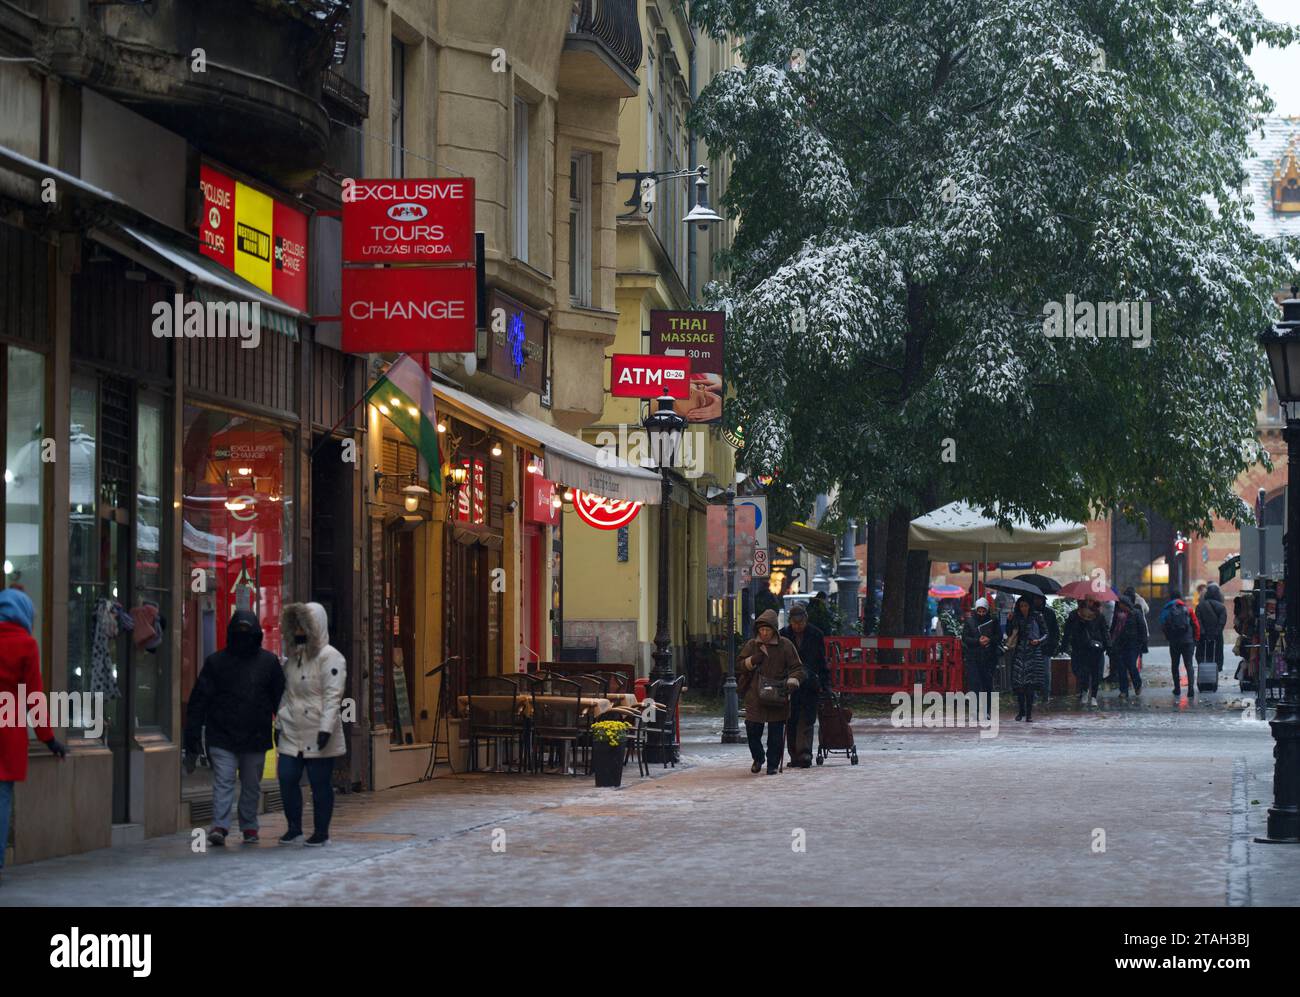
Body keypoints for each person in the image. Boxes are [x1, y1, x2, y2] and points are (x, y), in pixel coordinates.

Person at [184, 609, 285, 846]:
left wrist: (193, 735)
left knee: (240, 783)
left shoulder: (219, 662)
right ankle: (234, 826)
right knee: (238, 782)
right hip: (235, 735)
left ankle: (236, 825)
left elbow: (199, 701)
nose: (243, 639)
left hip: (236, 733)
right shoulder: (266, 662)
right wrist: (281, 731)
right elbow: (281, 701)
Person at [0, 589, 66, 885]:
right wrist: (49, 739)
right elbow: (34, 697)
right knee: (2, 796)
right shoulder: (26, 645)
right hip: (8, 730)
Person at [277, 602, 347, 845]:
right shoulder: (293, 659)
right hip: (292, 730)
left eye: (303, 626)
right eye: (295, 626)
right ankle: (293, 827)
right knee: (286, 777)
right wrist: (279, 725)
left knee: (320, 783)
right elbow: (287, 694)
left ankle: (321, 831)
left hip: (318, 731)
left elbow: (332, 696)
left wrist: (326, 728)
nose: (298, 631)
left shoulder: (331, 657)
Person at [738, 608, 804, 774]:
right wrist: (752, 660)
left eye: (767, 630)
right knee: (752, 728)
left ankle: (773, 764)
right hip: (755, 694)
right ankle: (758, 757)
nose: (764, 633)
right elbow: (740, 666)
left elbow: (797, 668)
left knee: (776, 732)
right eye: (761, 630)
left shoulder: (785, 645)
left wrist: (792, 680)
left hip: (777, 693)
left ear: (774, 629)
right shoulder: (752, 645)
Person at [780, 603, 828, 768]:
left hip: (810, 683)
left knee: (807, 719)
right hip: (790, 683)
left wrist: (825, 683)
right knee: (791, 720)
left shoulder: (816, 634)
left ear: (806, 620)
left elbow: (821, 661)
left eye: (801, 622)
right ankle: (794, 755)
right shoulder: (784, 635)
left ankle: (805, 753)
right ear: (790, 621)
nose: (798, 626)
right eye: (795, 623)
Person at [1007, 595, 1049, 721]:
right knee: (1019, 685)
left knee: (1030, 685)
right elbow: (1010, 633)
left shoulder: (1037, 616)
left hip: (1033, 653)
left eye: (1025, 606)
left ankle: (1029, 714)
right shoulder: (1016, 617)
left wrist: (1039, 641)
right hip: (1019, 653)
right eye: (1021, 606)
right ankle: (1021, 711)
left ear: (1030, 606)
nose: (1023, 608)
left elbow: (1046, 633)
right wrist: (1009, 621)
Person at [1063, 598, 1110, 707]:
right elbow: (1068, 631)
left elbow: (1104, 631)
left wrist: (1108, 646)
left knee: (1096, 673)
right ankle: (1084, 691)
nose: (1089, 602)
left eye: (1091, 600)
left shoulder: (1099, 616)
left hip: (1096, 649)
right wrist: (1064, 646)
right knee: (1081, 671)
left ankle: (1093, 696)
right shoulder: (1074, 615)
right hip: (1080, 648)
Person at [961, 597, 1002, 719]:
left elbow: (999, 636)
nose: (981, 614)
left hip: (989, 657)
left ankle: (986, 711)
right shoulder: (970, 622)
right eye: (979, 611)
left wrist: (990, 639)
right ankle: (975, 711)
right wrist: (978, 641)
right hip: (973, 657)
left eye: (984, 611)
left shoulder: (993, 621)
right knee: (974, 684)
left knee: (986, 684)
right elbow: (965, 638)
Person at [1160, 588, 1201, 699]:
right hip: (1188, 641)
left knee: (1175, 665)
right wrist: (1196, 639)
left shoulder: (1167, 609)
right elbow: (1196, 625)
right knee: (1189, 665)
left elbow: (1162, 624)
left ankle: (1177, 689)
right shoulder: (1188, 609)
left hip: (1174, 641)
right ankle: (1191, 689)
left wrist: (1168, 637)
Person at [1109, 594, 1144, 698]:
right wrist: (1111, 641)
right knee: (1121, 668)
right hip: (1120, 644)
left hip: (1132, 645)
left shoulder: (1136, 613)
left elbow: (1142, 628)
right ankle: (1123, 690)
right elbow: (1113, 628)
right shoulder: (1117, 615)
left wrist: (1141, 643)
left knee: (1131, 665)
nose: (1120, 605)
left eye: (1121, 603)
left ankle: (1137, 684)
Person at [1196, 583, 1228, 674]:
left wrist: (1203, 632)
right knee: (1216, 654)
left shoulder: (1200, 606)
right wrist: (1216, 633)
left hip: (1203, 637)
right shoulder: (1222, 607)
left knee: (1203, 655)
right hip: (1217, 637)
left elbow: (1198, 621)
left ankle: (1204, 672)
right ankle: (1215, 673)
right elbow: (1222, 622)